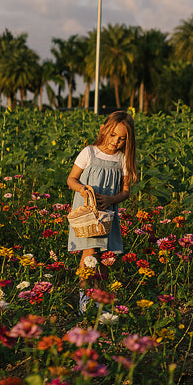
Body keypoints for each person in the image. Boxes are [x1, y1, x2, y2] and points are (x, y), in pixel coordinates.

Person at [66, 110, 139, 312]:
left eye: (122, 139)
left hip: (107, 214)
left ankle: (99, 301)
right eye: (113, 135)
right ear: (103, 130)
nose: (115, 141)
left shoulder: (122, 159)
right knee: (89, 255)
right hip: (88, 215)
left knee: (105, 259)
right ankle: (84, 301)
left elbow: (125, 192)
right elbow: (71, 178)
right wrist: (82, 188)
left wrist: (110, 199)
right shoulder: (89, 152)